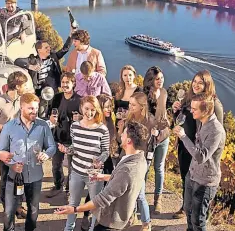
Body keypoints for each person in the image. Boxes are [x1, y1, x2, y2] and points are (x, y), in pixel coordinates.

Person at [53, 121, 149, 231]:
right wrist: (102, 177)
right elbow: (123, 181)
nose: (121, 135)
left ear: (128, 141)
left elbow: (102, 199)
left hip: (110, 223)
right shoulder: (140, 159)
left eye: (124, 133)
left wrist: (74, 209)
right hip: (119, 219)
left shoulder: (128, 169)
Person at [0, 93, 56, 231]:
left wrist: (46, 154)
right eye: (30, 108)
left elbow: (52, 146)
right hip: (14, 177)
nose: (34, 111)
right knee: (9, 211)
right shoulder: (9, 127)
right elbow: (1, 152)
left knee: (34, 209)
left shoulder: (43, 126)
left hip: (35, 176)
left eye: (36, 108)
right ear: (22, 107)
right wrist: (11, 164)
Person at [171, 70, 224, 219]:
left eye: (200, 82)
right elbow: (183, 119)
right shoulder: (190, 98)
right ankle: (185, 208)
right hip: (184, 145)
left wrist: (212, 157)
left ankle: (200, 216)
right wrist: (176, 111)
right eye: (194, 81)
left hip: (199, 151)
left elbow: (217, 134)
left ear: (207, 84)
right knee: (186, 178)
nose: (196, 85)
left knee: (199, 186)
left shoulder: (215, 105)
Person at [117, 92, 169, 231]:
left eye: (133, 105)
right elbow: (120, 141)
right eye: (130, 104)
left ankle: (146, 223)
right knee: (129, 191)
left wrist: (158, 133)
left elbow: (162, 135)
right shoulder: (129, 117)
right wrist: (121, 129)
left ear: (142, 106)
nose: (130, 107)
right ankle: (132, 215)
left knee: (139, 193)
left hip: (140, 161)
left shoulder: (150, 121)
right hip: (126, 158)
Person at [57, 96, 110, 231]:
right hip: (76, 172)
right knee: (73, 203)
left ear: (97, 110)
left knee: (94, 205)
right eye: (87, 108)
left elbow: (106, 151)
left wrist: (100, 161)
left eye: (93, 110)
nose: (89, 112)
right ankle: (68, 229)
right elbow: (75, 148)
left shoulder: (102, 129)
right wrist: (67, 150)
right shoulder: (74, 127)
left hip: (94, 175)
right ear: (81, 108)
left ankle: (93, 229)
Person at [0, 71, 29, 217]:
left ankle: (19, 205)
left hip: (21, 148)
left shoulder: (23, 100)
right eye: (24, 85)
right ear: (17, 86)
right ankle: (7, 208)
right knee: (6, 179)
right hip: (5, 149)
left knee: (21, 178)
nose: (26, 87)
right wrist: (7, 127)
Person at [45, 72, 81, 198]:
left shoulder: (79, 100)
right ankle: (58, 186)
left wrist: (80, 118)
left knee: (72, 168)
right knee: (56, 164)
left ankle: (69, 190)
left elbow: (85, 119)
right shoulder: (57, 98)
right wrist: (51, 119)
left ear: (73, 84)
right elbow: (49, 114)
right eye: (63, 82)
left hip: (73, 139)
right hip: (57, 137)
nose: (65, 85)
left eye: (68, 82)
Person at [141, 66, 171, 215]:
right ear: (150, 80)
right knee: (145, 169)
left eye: (162, 78)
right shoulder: (144, 96)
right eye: (157, 79)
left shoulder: (164, 93)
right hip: (148, 139)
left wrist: (166, 125)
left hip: (163, 136)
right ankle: (141, 198)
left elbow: (164, 114)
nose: (161, 81)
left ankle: (157, 200)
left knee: (159, 168)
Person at [14, 29, 73, 96]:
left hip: (54, 92)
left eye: (49, 47)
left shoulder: (53, 57)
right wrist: (30, 66)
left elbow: (65, 49)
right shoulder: (32, 60)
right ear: (39, 50)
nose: (49, 49)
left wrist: (71, 35)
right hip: (39, 93)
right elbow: (17, 61)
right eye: (46, 48)